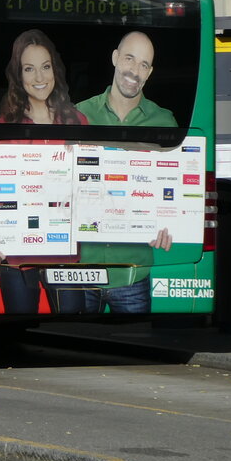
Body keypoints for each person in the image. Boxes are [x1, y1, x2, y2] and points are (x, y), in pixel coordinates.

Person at [54, 30, 176, 314]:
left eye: (144, 64)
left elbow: (172, 189)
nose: (134, 70)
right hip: (81, 271)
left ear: (150, 72)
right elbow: (58, 183)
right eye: (130, 59)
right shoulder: (78, 116)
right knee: (74, 352)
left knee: (135, 353)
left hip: (132, 272)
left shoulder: (165, 122)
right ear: (115, 58)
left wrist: (170, 222)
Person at [0, 30, 84, 313]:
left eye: (45, 67)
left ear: (55, 69)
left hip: (65, 250)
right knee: (20, 330)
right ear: (18, 75)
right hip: (16, 251)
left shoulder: (77, 122)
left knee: (73, 329)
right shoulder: (3, 125)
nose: (39, 78)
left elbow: (95, 186)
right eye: (29, 69)